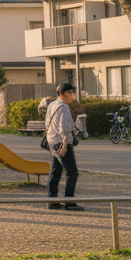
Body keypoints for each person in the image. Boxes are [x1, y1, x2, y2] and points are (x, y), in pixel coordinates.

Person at [46, 82, 84, 211]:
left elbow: (47, 124)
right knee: (72, 172)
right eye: (69, 93)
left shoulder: (52, 105)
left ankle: (52, 201)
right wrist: (65, 144)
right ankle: (70, 202)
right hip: (61, 141)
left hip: (51, 140)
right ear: (61, 94)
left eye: (73, 92)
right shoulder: (64, 107)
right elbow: (64, 128)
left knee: (55, 171)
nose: (72, 95)